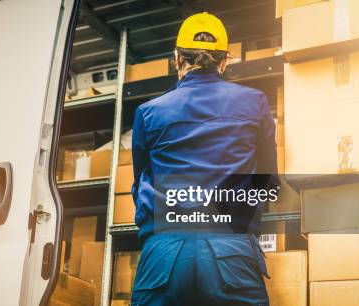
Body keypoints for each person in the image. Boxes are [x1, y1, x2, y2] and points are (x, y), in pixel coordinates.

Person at [130, 12, 279, 306]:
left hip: (164, 253)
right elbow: (268, 180)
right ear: (224, 61)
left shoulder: (148, 112)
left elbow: (140, 184)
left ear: (176, 59)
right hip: (231, 248)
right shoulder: (255, 102)